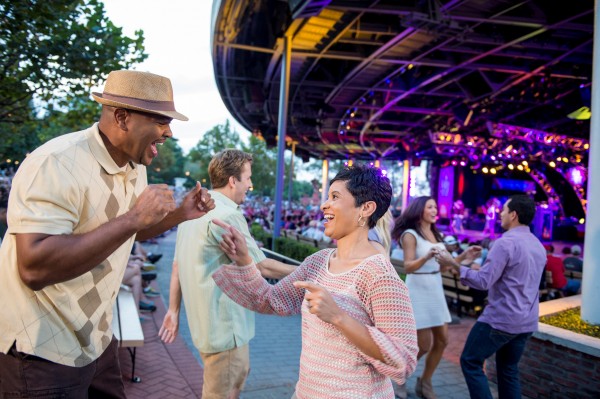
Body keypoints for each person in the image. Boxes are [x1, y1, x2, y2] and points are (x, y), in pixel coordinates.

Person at [0, 70, 215, 398]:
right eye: (160, 120)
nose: (168, 132)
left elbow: (130, 234)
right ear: (122, 117)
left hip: (95, 338)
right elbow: (34, 268)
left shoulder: (134, 168)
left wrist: (180, 215)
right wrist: (132, 218)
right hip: (41, 349)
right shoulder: (55, 163)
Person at [212, 164, 418, 399]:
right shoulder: (318, 262)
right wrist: (244, 260)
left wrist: (338, 317)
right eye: (327, 196)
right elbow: (271, 300)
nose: (324, 205)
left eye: (335, 197)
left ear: (366, 208)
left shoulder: (378, 274)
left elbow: (403, 358)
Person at [159, 149, 296, 399]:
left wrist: (173, 310)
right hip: (226, 329)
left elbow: (177, 265)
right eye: (248, 178)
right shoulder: (227, 214)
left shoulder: (192, 211)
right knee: (224, 392)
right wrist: (310, 269)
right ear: (233, 180)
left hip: (205, 326)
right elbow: (261, 266)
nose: (250, 184)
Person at [439, 195, 546, 399]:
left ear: (513, 215)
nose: (500, 214)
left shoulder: (505, 243)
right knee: (508, 371)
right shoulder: (538, 246)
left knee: (470, 361)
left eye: (503, 211)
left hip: (501, 319)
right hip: (527, 322)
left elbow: (482, 282)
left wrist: (453, 264)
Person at [391, 196, 480, 399]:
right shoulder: (410, 235)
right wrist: (426, 256)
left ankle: (426, 382)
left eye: (435, 207)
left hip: (435, 287)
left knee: (442, 340)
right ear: (419, 210)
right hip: (418, 290)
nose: (434, 210)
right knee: (422, 345)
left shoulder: (435, 234)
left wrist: (463, 256)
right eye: (430, 207)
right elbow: (408, 267)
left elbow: (441, 266)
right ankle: (400, 377)